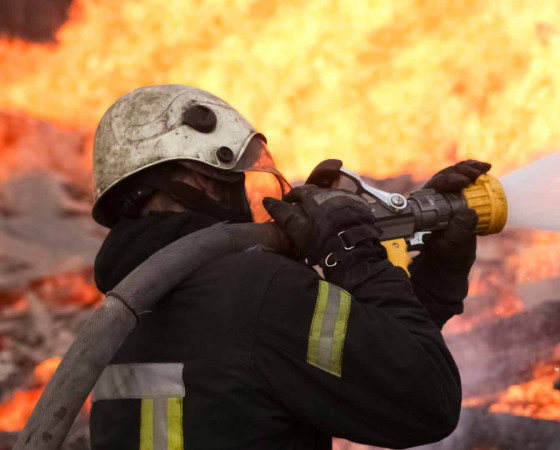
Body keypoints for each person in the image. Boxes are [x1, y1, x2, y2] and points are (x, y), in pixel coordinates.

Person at [88, 84, 490, 449]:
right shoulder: (258, 292)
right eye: (233, 178)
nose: (246, 197)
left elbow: (362, 367)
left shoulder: (116, 318)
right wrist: (351, 252)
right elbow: (425, 400)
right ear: (201, 180)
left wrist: (434, 280)